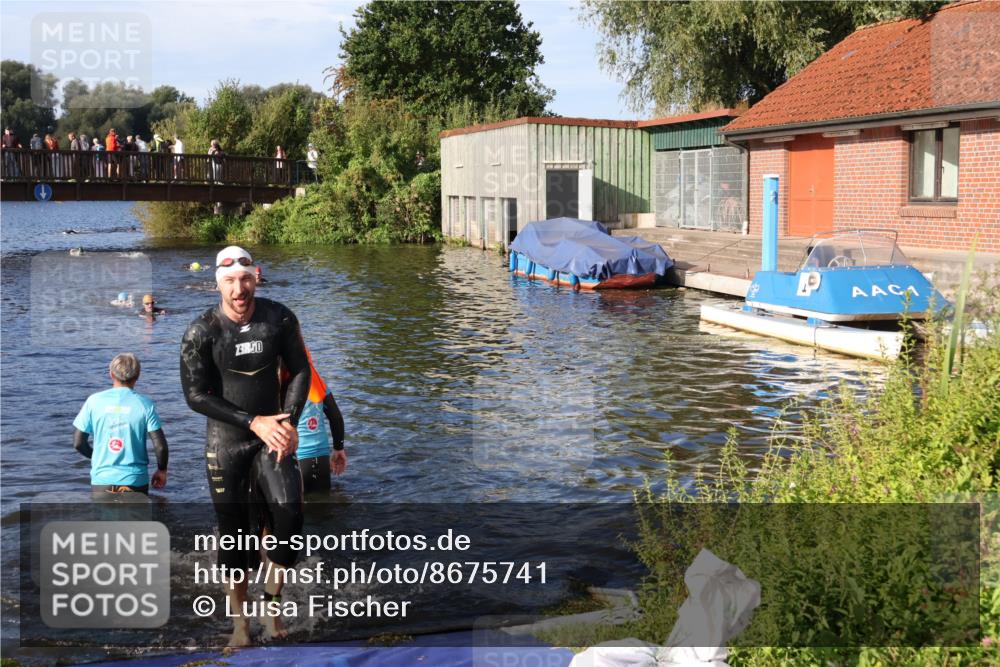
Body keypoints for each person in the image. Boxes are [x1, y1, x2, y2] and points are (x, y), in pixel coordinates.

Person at [180, 245, 310, 646]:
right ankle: (241, 624)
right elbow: (195, 396)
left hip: (273, 435)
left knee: (290, 518)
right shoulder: (201, 331)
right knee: (234, 541)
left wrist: (287, 422)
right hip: (229, 443)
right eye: (231, 282)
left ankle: (272, 603)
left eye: (246, 279)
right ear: (218, 284)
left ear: (257, 276)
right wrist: (253, 421)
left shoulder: (279, 318)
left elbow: (301, 369)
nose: (240, 290)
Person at [73, 353, 168, 498]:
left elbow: (79, 443)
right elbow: (160, 446)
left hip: (102, 480)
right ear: (137, 376)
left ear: (111, 374)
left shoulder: (93, 401)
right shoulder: (145, 404)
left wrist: (97, 457)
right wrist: (162, 470)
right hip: (135, 481)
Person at [290, 351, 346, 495]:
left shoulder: (284, 382)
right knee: (324, 508)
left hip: (297, 457)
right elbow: (336, 418)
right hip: (321, 458)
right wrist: (338, 448)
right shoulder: (319, 383)